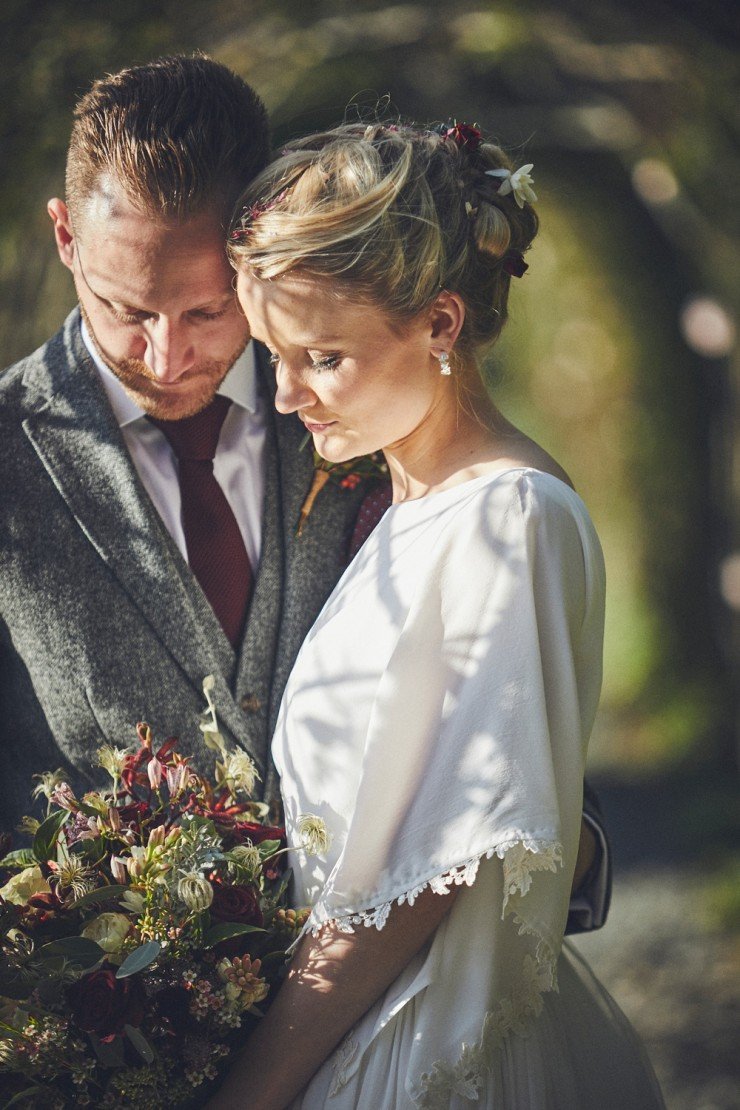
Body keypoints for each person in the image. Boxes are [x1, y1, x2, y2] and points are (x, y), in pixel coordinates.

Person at [0, 55, 605, 935]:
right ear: (65, 238)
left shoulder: (371, 403)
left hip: (372, 1015)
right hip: (96, 1042)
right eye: (125, 307)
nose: (167, 357)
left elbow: (489, 696)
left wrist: (531, 840)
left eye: (209, 311)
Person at [215, 121, 666, 1108]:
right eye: (272, 356)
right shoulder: (405, 508)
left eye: (321, 357)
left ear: (440, 324)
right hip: (355, 1021)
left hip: (425, 1043)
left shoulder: (509, 517)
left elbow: (418, 880)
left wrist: (252, 1091)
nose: (287, 395)